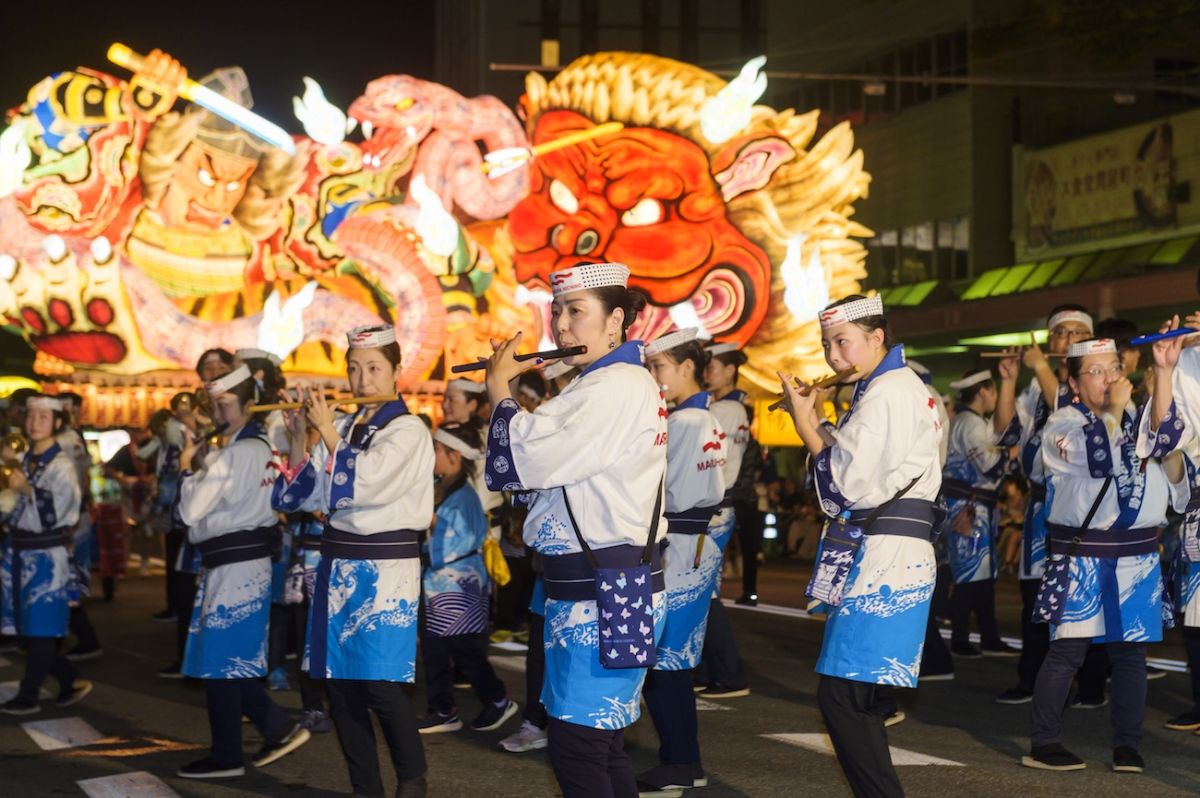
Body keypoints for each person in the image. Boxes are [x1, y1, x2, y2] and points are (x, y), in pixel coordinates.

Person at [481, 261, 668, 798]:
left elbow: (531, 456)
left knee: (579, 750)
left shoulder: (614, 385)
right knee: (600, 746)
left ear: (616, 321)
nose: (561, 326)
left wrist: (500, 388)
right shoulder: (605, 383)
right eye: (557, 311)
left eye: (576, 311)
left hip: (600, 591)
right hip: (600, 588)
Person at [779, 294, 942, 798]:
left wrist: (806, 422)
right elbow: (860, 465)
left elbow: (843, 487)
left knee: (844, 699)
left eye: (843, 342)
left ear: (877, 338)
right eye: (827, 344)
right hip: (893, 551)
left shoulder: (889, 391)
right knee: (860, 698)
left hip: (886, 556)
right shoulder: (894, 386)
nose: (833, 356)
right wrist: (822, 419)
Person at [273, 324, 430, 798]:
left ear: (398, 371)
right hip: (337, 567)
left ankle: (412, 779)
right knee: (340, 686)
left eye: (375, 368)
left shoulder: (409, 429)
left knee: (380, 685)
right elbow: (304, 498)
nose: (363, 380)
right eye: (355, 369)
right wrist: (302, 438)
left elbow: (365, 483)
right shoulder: (344, 427)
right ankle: (365, 786)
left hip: (385, 572)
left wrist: (325, 431)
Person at [1023, 335, 1187, 773]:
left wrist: (1166, 373)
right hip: (1084, 556)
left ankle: (1128, 744)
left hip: (1138, 556)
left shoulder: (1140, 417)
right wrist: (1116, 409)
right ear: (1074, 384)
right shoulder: (1062, 423)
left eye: (1113, 368)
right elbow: (1097, 457)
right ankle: (1043, 741)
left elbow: (1171, 445)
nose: (1109, 379)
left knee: (1130, 654)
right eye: (1095, 372)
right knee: (1067, 652)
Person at [174, 366, 310, 778]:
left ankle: (229, 755)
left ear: (250, 406)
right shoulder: (260, 447)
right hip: (243, 564)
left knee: (222, 661)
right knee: (228, 658)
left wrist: (186, 469)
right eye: (214, 403)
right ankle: (275, 727)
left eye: (226, 403)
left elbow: (189, 511)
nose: (218, 411)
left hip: (234, 566)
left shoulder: (236, 453)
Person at [638, 328, 727, 794]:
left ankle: (680, 761)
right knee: (672, 659)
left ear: (687, 367)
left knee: (664, 661)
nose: (655, 377)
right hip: (694, 545)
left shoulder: (685, 424)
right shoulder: (702, 418)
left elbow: (657, 489)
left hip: (679, 545)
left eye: (661, 368)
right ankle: (682, 760)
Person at [996, 306, 1092, 704]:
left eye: (1076, 333)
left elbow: (1068, 411)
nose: (1067, 340)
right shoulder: (1037, 386)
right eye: (1060, 334)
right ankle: (1032, 677)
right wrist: (1008, 382)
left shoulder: (1091, 381)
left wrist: (1038, 368)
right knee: (1034, 596)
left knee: (1080, 596)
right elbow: (1005, 434)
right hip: (1040, 507)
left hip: (1077, 507)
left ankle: (1089, 682)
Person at [417, 422, 517, 734]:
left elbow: (453, 539)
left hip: (458, 584)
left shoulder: (464, 496)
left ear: (454, 455)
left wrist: (427, 515)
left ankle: (498, 698)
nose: (430, 455)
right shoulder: (444, 486)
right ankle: (443, 708)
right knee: (435, 650)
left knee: (465, 651)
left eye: (435, 449)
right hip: (440, 583)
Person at [0, 395, 92, 715]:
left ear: (57, 423)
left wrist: (27, 490)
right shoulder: (25, 460)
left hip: (47, 557)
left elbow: (65, 510)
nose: (35, 421)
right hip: (20, 552)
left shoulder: (62, 464)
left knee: (39, 628)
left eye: (43, 416)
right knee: (31, 628)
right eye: (31, 415)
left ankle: (29, 695)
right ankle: (67, 680)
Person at [942, 363, 1022, 659]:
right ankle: (965, 640)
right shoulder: (972, 424)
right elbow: (989, 465)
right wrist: (1015, 450)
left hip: (970, 505)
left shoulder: (966, 421)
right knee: (970, 576)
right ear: (985, 392)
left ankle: (986, 636)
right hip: (970, 507)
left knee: (979, 577)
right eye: (994, 391)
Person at [696, 341, 753, 699]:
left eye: (712, 366)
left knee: (704, 592)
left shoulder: (725, 410)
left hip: (712, 509)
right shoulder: (730, 408)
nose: (707, 373)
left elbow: (708, 465)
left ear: (730, 370)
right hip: (718, 508)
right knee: (701, 591)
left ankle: (729, 673)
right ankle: (709, 670)